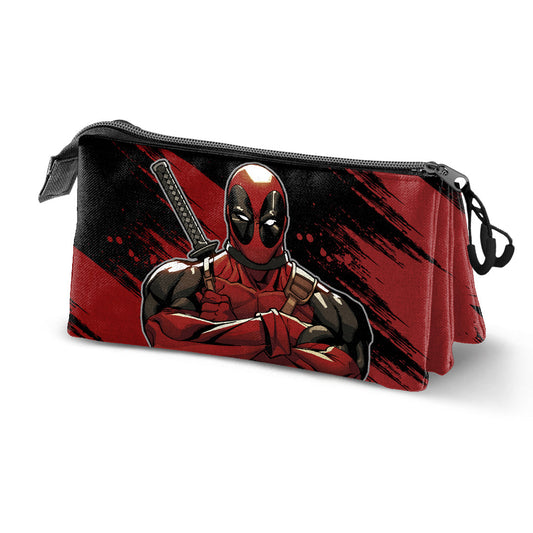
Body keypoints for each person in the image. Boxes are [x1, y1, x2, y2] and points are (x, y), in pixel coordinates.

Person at [141, 162, 372, 379]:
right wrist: (285, 333)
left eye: (269, 222)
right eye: (243, 218)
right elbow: (163, 340)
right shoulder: (183, 282)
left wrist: (222, 334)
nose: (256, 232)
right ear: (228, 215)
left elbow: (348, 370)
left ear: (284, 222)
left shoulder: (326, 305)